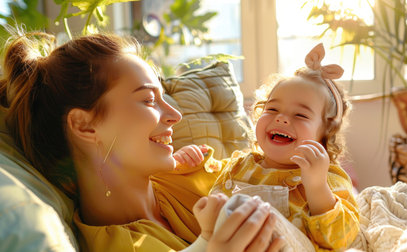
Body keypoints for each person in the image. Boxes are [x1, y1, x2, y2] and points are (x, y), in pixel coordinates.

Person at [0, 31, 285, 252]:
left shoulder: (188, 172)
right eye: (149, 100)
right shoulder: (116, 245)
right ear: (84, 125)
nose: (175, 114)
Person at [177, 43, 360, 251]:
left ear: (325, 135)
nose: (281, 118)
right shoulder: (239, 165)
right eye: (272, 109)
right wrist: (191, 162)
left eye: (300, 115)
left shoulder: (328, 178)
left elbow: (341, 240)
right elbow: (209, 182)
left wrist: (317, 188)